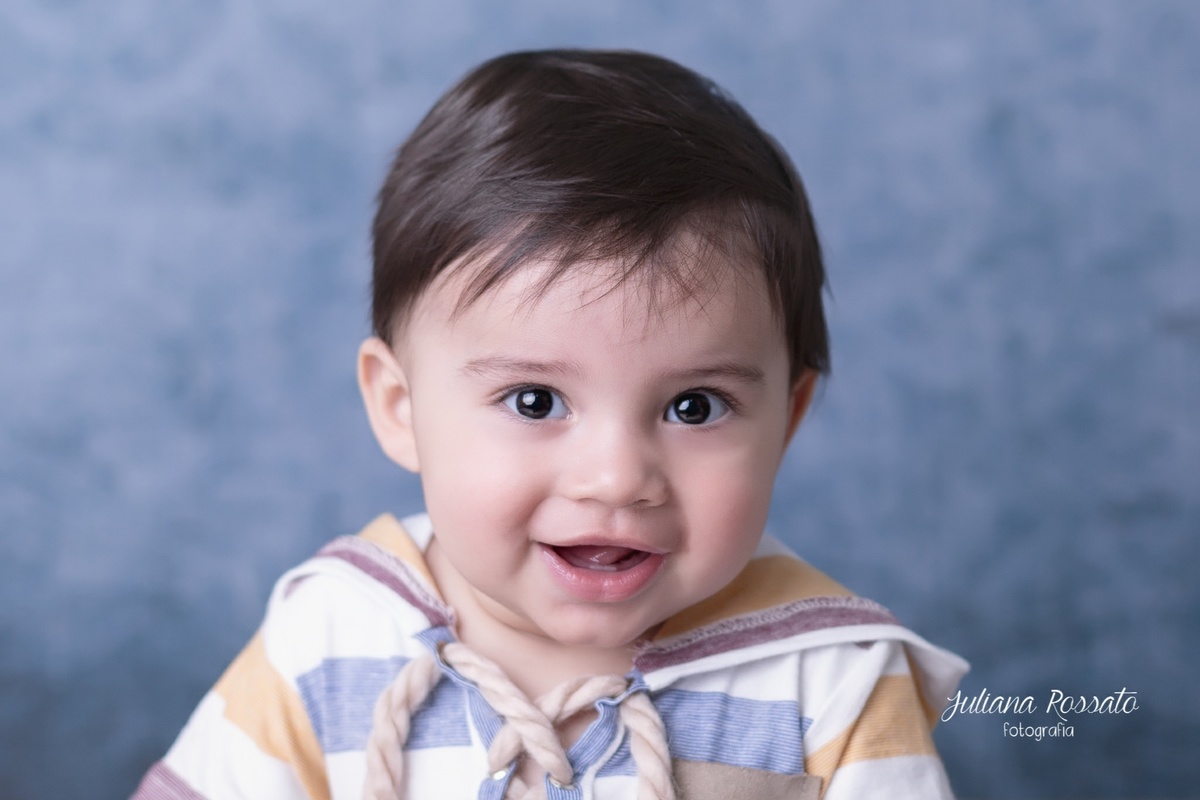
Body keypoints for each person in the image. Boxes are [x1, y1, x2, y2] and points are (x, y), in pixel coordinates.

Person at [132, 49, 968, 800]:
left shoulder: (826, 680)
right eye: (535, 401)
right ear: (401, 408)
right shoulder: (331, 638)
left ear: (785, 421)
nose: (615, 477)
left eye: (694, 407)